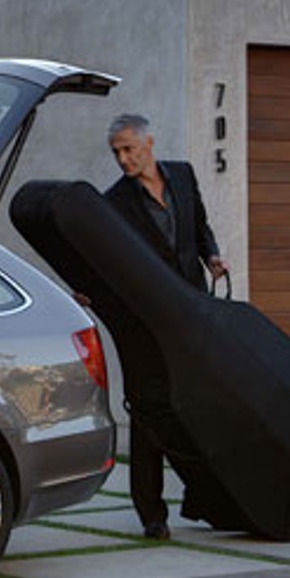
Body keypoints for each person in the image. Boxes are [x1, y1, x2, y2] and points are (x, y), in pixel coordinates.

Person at [103, 114, 229, 540]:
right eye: (116, 152)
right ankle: (151, 513)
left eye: (128, 149)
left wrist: (211, 256)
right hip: (149, 321)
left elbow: (199, 226)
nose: (122, 159)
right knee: (148, 414)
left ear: (148, 143)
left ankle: (205, 499)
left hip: (193, 311)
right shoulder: (114, 202)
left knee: (195, 409)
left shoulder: (182, 174)